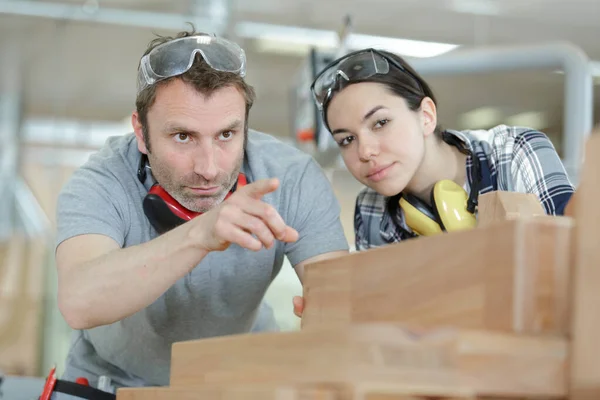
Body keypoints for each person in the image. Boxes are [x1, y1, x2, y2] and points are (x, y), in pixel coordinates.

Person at [53, 29, 348, 391]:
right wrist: (201, 234)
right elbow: (79, 301)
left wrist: (330, 321)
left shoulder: (292, 177)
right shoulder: (101, 181)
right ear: (141, 134)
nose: (208, 168)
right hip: (111, 378)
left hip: (235, 375)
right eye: (183, 136)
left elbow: (342, 300)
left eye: (226, 135)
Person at [308, 48, 575, 250]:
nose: (364, 152)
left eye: (380, 123)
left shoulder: (515, 154)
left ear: (426, 116)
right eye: (347, 140)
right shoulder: (371, 210)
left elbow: (578, 264)